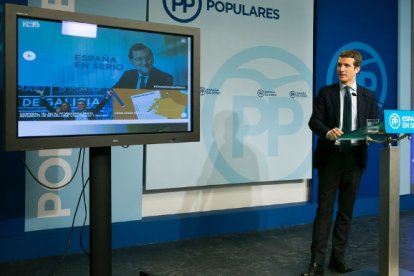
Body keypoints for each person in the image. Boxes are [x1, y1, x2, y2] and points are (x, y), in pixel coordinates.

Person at [302, 50, 378, 276]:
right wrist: (327, 132)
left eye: (346, 65)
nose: (341, 69)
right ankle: (316, 264)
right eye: (339, 65)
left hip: (354, 159)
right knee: (324, 212)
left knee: (346, 213)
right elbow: (314, 121)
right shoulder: (326, 93)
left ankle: (338, 259)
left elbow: (373, 127)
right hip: (331, 160)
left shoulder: (367, 96)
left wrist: (375, 134)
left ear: (357, 69)